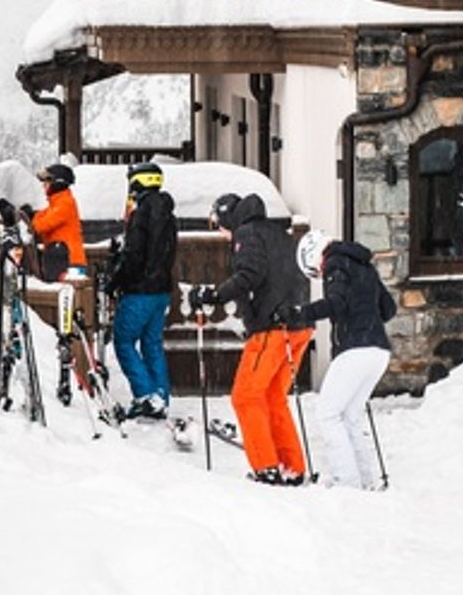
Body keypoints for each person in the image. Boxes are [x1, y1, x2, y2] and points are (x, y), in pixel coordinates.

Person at [193, 192, 312, 485]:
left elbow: (250, 274)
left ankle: (266, 467)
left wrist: (215, 295)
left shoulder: (247, 233)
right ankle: (291, 466)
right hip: (300, 326)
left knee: (246, 397)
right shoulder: (278, 233)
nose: (221, 234)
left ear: (227, 217)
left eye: (219, 226)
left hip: (272, 328)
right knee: (273, 398)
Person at [296, 230, 394, 490]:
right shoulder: (364, 266)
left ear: (315, 255)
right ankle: (365, 481)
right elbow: (389, 308)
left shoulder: (335, 262)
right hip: (378, 350)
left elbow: (336, 303)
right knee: (350, 416)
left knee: (327, 414)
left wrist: (302, 313)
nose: (321, 273)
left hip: (355, 348)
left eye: (316, 271)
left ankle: (346, 482)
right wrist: (365, 317)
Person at [108, 161, 177, 420]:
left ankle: (146, 396)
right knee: (152, 345)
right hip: (161, 290)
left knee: (124, 341)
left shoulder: (141, 214)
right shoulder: (168, 215)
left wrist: (116, 279)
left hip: (139, 290)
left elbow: (135, 255)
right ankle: (160, 395)